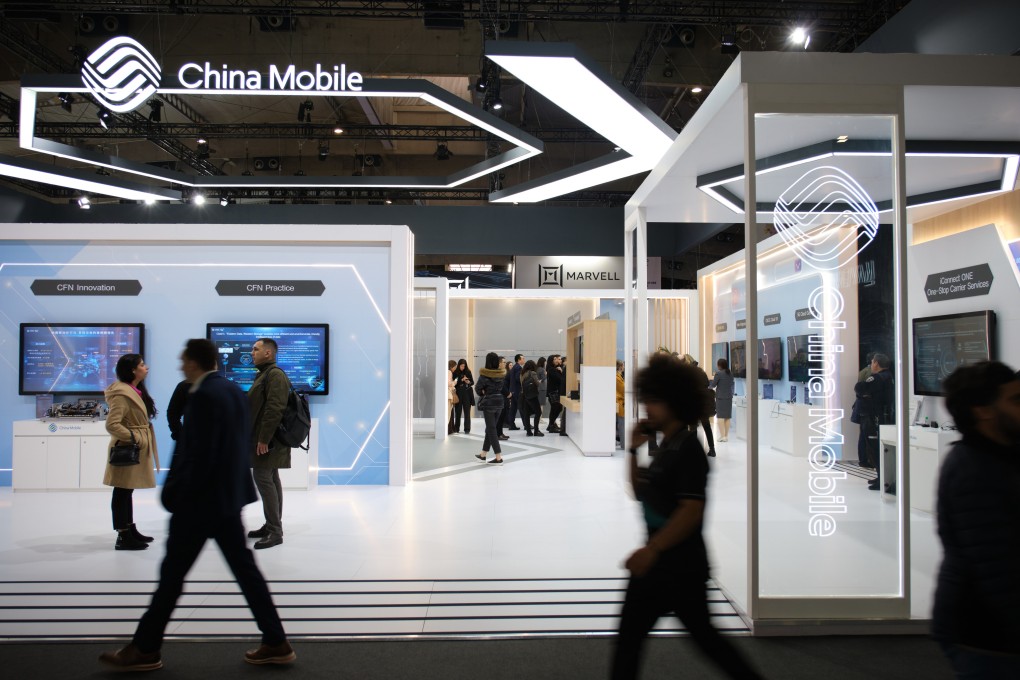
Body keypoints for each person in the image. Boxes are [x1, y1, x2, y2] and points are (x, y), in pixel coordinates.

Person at [99, 339, 296, 671]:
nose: (180, 366)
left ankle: (144, 648)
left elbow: (195, 451)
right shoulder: (233, 390)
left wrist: (173, 492)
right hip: (227, 499)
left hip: (199, 502)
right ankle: (276, 641)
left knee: (172, 577)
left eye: (183, 360)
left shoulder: (203, 395)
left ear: (193, 363)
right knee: (245, 572)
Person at [612, 354, 763, 680]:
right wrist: (632, 450)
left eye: (653, 400)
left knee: (702, 641)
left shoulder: (689, 450)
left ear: (673, 401)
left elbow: (691, 511)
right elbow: (639, 493)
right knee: (636, 642)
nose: (647, 407)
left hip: (678, 566)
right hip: (661, 563)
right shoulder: (668, 444)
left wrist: (651, 551)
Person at [933, 361, 1020, 678]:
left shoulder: (1002, 457)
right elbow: (998, 566)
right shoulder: (973, 470)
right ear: (982, 410)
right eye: (1015, 400)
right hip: (986, 634)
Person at [103, 354, 160, 551]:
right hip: (127, 447)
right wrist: (133, 437)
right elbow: (112, 424)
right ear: (133, 370)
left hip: (134, 446)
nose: (147, 367)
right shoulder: (122, 394)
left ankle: (129, 529)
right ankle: (122, 535)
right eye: (142, 365)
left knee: (127, 490)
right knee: (122, 491)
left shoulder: (134, 391)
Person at [247, 338, 291, 549]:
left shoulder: (274, 375)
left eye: (256, 349)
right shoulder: (265, 374)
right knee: (270, 477)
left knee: (263, 477)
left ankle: (275, 531)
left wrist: (264, 438)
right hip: (265, 437)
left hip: (269, 439)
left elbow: (275, 408)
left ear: (268, 353)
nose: (252, 352)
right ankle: (272, 525)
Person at [854, 352, 894, 490]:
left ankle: (882, 479)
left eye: (872, 362)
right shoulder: (888, 377)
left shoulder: (877, 378)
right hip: (877, 416)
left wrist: (865, 393)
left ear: (876, 363)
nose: (871, 364)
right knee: (875, 448)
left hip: (873, 418)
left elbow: (859, 388)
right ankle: (881, 477)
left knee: (875, 449)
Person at [681, 354, 716, 457]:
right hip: (703, 402)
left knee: (692, 427)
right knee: (707, 426)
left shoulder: (687, 373)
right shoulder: (701, 371)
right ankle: (712, 449)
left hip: (693, 402)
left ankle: (693, 451)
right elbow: (706, 384)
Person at [474, 352, 507, 464]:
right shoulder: (502, 374)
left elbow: (478, 389)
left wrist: (484, 391)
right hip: (500, 402)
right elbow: (501, 388)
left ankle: (498, 457)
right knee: (490, 428)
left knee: (491, 429)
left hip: (489, 403)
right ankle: (483, 454)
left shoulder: (484, 375)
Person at [710, 358, 735, 443]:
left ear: (719, 365)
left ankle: (722, 435)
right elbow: (732, 384)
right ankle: (726, 436)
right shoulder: (730, 373)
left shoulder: (718, 374)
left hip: (720, 397)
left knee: (720, 416)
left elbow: (713, 385)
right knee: (727, 417)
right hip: (729, 397)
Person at [520, 359, 544, 437]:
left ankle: (529, 432)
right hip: (532, 395)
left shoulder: (522, 374)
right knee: (538, 412)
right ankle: (536, 431)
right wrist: (540, 381)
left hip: (525, 395)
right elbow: (537, 383)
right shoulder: (533, 373)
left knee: (526, 414)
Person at [452, 358, 475, 433]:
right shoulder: (455, 372)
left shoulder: (468, 372)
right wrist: (461, 380)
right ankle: (456, 428)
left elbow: (472, 382)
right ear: (459, 365)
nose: (462, 367)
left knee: (467, 412)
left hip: (467, 394)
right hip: (458, 393)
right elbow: (453, 383)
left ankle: (467, 429)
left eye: (464, 366)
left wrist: (468, 382)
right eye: (461, 366)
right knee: (458, 412)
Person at [546, 354, 565, 434]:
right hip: (553, 392)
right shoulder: (551, 370)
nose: (557, 360)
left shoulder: (554, 369)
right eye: (555, 359)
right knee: (556, 408)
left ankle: (551, 424)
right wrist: (561, 371)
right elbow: (560, 379)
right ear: (551, 361)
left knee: (557, 408)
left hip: (555, 392)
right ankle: (551, 425)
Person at [507, 353, 525, 430]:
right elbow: (518, 379)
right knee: (522, 408)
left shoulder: (514, 367)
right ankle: (526, 424)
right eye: (523, 358)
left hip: (513, 391)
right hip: (517, 391)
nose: (524, 360)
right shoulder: (518, 368)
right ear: (518, 360)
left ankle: (511, 424)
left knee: (513, 409)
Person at [616, 360, 626, 449]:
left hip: (619, 403)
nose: (624, 367)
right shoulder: (617, 377)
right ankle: (623, 444)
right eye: (623, 365)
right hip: (619, 403)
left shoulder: (618, 376)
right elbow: (623, 390)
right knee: (621, 424)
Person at [535, 356, 548, 426]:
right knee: (541, 404)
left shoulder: (537, 369)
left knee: (539, 404)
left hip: (538, 388)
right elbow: (543, 378)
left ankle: (539, 418)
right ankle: (540, 418)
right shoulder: (542, 370)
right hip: (542, 388)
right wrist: (546, 374)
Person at [447, 359, 457, 435]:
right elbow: (449, 383)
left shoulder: (446, 371)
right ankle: (449, 429)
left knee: (449, 412)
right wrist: (455, 381)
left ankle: (450, 429)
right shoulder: (449, 372)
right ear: (451, 367)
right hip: (449, 394)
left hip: (447, 394)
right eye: (455, 367)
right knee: (449, 412)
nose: (455, 368)